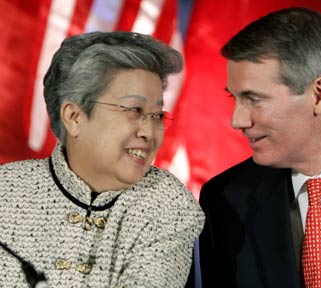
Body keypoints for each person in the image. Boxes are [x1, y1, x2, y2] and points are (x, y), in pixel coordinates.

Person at [194, 7, 321, 288]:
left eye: (254, 99)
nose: (237, 120)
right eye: (235, 98)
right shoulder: (226, 201)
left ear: (319, 94)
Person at [0, 31, 204, 287]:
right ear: (74, 117)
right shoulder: (6, 190)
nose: (149, 132)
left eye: (157, 116)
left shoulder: (167, 202)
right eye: (135, 110)